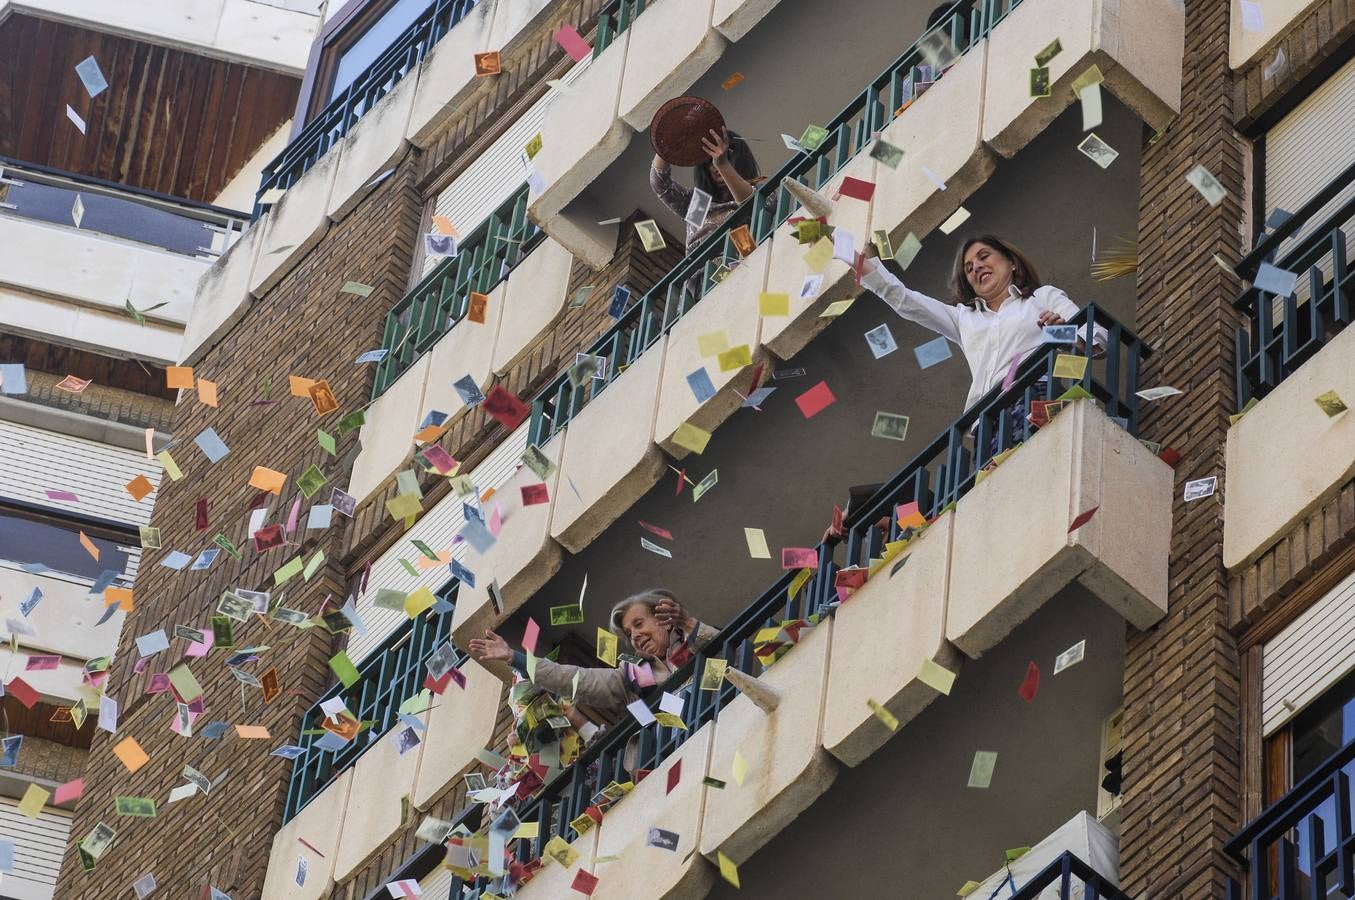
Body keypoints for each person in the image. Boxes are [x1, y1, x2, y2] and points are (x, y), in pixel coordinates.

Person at [861, 235, 1106, 418]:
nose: (976, 267)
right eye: (968, 268)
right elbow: (906, 301)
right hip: (988, 420)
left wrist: (1063, 333)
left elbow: (1098, 340)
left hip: (1038, 398)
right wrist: (861, 262)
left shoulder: (1041, 297)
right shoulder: (962, 318)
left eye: (984, 256)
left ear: (1011, 262)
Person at [467, 589, 717, 719]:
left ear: (664, 620)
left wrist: (688, 623)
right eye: (629, 633)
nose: (635, 636)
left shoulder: (693, 637)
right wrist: (516, 658)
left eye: (639, 624)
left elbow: (731, 655)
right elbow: (573, 678)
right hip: (674, 749)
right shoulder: (631, 675)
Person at [650, 127, 761, 252]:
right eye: (709, 161)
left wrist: (723, 165)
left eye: (726, 156)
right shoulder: (699, 204)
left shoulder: (762, 192)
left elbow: (751, 204)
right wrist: (669, 143)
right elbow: (660, 184)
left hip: (746, 265)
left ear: (741, 159)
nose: (715, 164)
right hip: (700, 271)